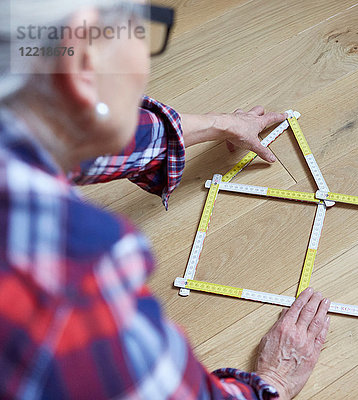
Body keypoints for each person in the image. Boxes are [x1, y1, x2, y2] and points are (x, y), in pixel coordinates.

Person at [0, 1, 331, 399]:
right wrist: (273, 381)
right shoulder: (67, 283)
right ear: (83, 61)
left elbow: (71, 129)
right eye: (141, 27)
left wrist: (217, 124)